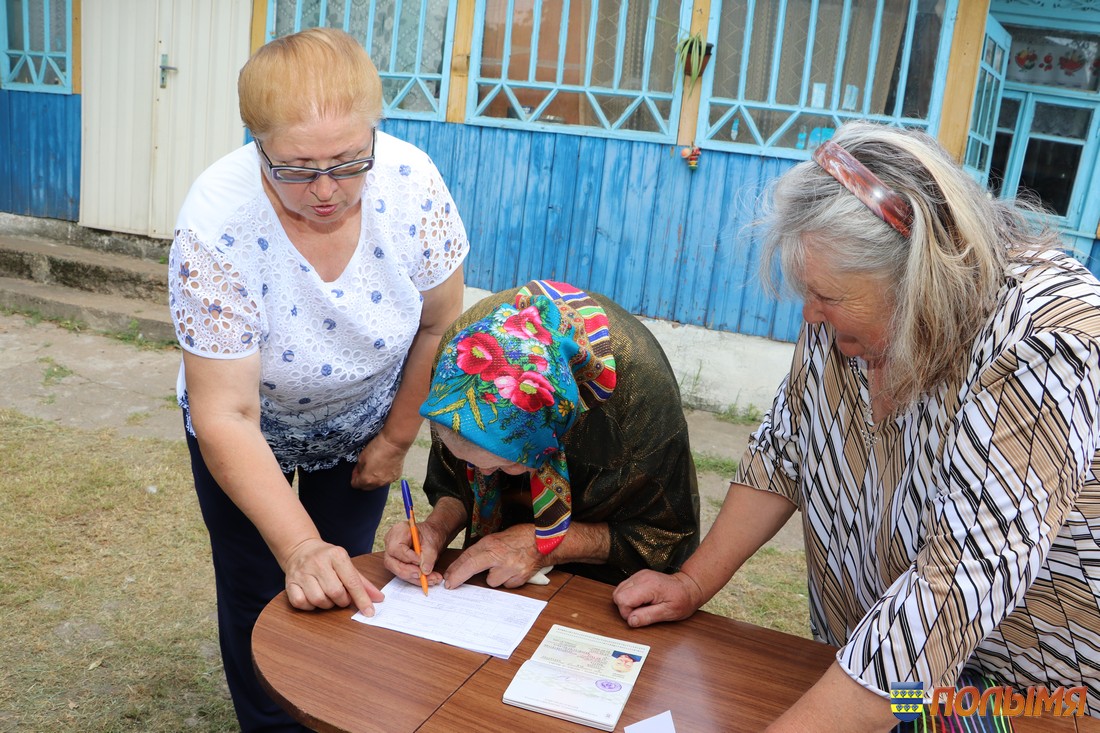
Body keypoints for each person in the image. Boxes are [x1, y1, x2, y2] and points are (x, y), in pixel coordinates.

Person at [612, 120, 1100, 730]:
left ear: (919, 275)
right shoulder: (841, 320)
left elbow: (956, 583)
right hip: (880, 684)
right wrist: (691, 582)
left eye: (829, 297)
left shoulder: (1046, 337)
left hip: (1038, 697)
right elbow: (785, 452)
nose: (811, 314)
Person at [167, 28, 467, 732]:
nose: (327, 190)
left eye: (348, 161)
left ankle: (338, 715)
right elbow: (226, 414)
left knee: (351, 581)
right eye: (298, 168)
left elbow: (437, 324)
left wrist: (397, 436)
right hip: (249, 431)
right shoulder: (216, 223)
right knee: (259, 587)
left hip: (364, 421)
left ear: (376, 133)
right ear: (257, 143)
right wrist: (298, 547)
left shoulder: (412, 185)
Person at [383, 280, 700, 589]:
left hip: (611, 584)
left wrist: (547, 544)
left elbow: (664, 536)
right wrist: (435, 528)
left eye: (502, 465)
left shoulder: (640, 401)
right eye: (468, 460)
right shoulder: (464, 355)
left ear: (547, 438)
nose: (483, 475)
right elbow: (459, 481)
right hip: (501, 565)